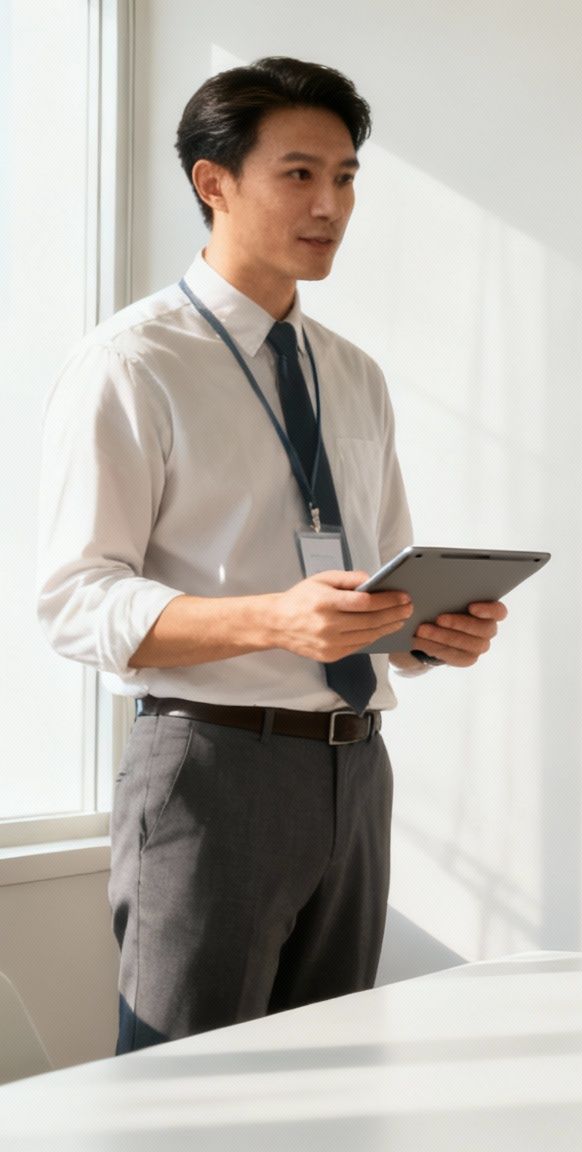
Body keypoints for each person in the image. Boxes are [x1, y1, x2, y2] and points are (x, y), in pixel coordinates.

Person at [36, 57, 511, 1052]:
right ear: (215, 183)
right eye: (299, 173)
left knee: (324, 1089)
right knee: (183, 1095)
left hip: (354, 772)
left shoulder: (354, 376)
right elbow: (76, 601)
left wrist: (426, 634)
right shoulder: (133, 363)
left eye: (344, 178)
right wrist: (274, 618)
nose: (330, 203)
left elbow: (373, 578)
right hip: (209, 769)